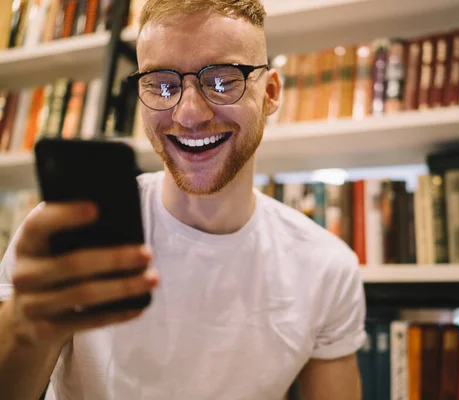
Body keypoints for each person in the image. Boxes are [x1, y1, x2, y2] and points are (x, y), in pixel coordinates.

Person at [0, 1, 367, 399]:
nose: (189, 114)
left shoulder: (328, 269)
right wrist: (23, 327)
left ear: (270, 94)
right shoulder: (69, 236)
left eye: (222, 81)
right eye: (161, 85)